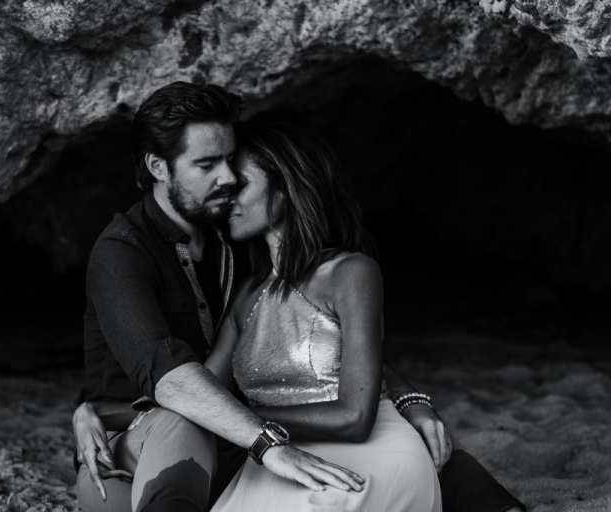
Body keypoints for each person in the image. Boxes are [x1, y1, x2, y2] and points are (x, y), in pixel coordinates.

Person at [73, 81, 526, 512]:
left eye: (231, 162)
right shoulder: (123, 253)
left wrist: (411, 399)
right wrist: (96, 412)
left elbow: (330, 346)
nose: (226, 179)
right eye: (207, 164)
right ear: (158, 167)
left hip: (240, 434)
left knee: (409, 437)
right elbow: (174, 381)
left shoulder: (233, 239)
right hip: (138, 447)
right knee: (187, 419)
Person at [208, 123, 441, 511]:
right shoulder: (245, 296)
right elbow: (199, 393)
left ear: (284, 188)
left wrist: (241, 420)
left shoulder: (351, 273)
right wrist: (100, 412)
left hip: (371, 452)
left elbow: (355, 417)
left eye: (240, 185)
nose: (226, 199)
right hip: (279, 460)